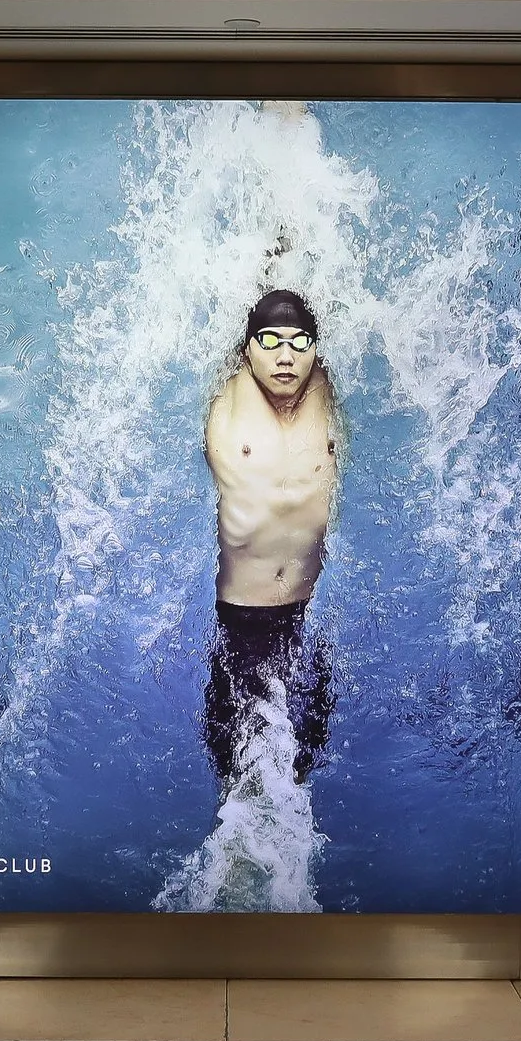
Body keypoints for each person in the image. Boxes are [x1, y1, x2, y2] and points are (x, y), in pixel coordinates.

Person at [201, 288, 338, 785]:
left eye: (299, 342)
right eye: (270, 341)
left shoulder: (325, 388)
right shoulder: (227, 396)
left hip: (311, 622)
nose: (285, 356)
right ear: (246, 348)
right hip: (242, 625)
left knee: (298, 782)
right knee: (242, 784)